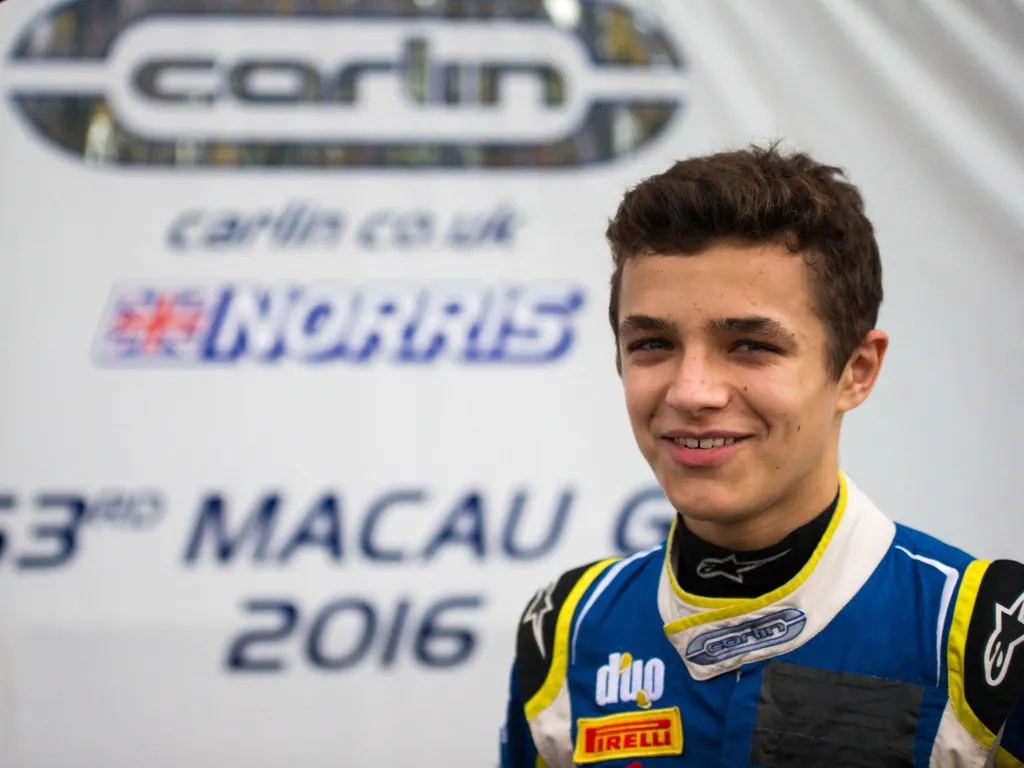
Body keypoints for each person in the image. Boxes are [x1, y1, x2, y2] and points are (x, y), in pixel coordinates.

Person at [499, 144, 1024, 767]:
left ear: (857, 370)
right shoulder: (566, 631)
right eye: (653, 343)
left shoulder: (984, 637)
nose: (691, 392)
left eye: (751, 345)